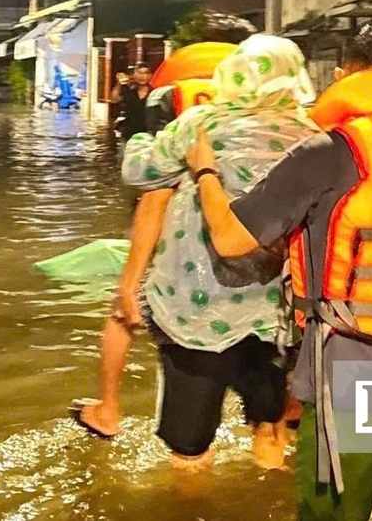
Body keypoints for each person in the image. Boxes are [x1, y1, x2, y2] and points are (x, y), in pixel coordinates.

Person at [185, 19, 372, 520]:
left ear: (347, 73)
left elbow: (231, 238)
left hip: (354, 374)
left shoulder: (332, 150)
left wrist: (205, 170)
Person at [91, 36, 316, 471]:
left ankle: (191, 504)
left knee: (189, 446)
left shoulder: (201, 124)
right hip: (278, 312)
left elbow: (139, 171)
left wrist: (143, 135)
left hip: (196, 308)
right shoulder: (313, 136)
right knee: (269, 429)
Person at [72, 39, 244, 445]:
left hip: (186, 273)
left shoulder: (176, 134)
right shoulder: (253, 131)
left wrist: (129, 282)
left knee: (123, 313)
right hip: (249, 266)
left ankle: (109, 409)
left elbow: (152, 205)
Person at [112, 63, 154, 141]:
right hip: (129, 133)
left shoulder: (154, 93)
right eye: (139, 73)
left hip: (148, 134)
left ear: (150, 75)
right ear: (134, 75)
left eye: (146, 73)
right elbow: (115, 99)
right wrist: (119, 83)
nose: (143, 76)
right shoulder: (129, 91)